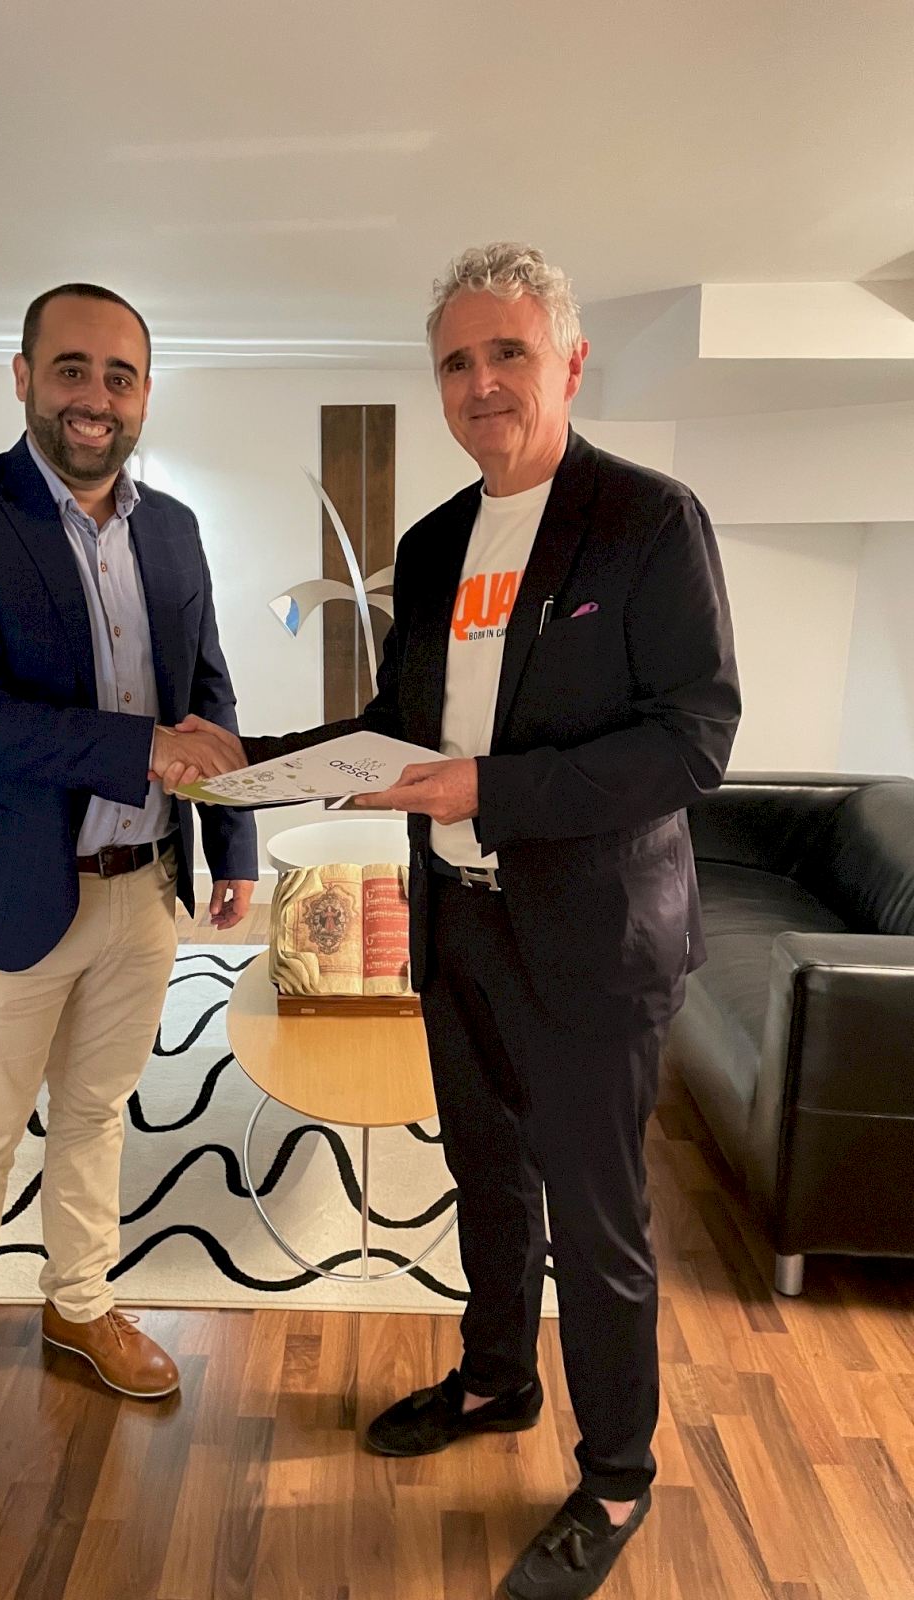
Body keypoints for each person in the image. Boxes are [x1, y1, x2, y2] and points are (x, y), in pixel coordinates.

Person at [168, 243, 739, 1600]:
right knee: (485, 1175)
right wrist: (243, 758)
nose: (481, 383)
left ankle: (617, 1474)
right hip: (460, 924)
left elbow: (692, 740)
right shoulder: (431, 545)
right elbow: (394, 729)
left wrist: (493, 787)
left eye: (508, 353)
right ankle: (495, 1382)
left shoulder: (647, 520)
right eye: (456, 362)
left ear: (570, 363)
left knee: (595, 1223)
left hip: (594, 937)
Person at [0, 282, 256, 1507]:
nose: (97, 397)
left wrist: (235, 844)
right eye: (73, 369)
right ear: (24, 376)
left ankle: (79, 1303)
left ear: (145, 394)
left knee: (96, 1115)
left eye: (121, 375)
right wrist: (135, 748)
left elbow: (207, 693)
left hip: (143, 889)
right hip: (5, 895)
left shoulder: (176, 529)